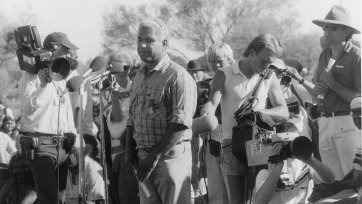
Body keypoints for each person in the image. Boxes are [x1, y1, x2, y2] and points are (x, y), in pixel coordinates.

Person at [201, 34, 289, 204]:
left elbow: (284, 111)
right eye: (264, 61)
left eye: (270, 62)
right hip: (231, 144)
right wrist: (206, 113)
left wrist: (260, 114)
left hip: (260, 143)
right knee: (237, 199)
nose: (267, 66)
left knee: (261, 195)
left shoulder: (269, 76)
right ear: (252, 52)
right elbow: (212, 102)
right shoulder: (224, 74)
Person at [285, 5, 361, 184]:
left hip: (347, 122)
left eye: (333, 28)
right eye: (325, 27)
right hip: (324, 122)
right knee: (332, 181)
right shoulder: (324, 55)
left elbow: (360, 99)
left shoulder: (357, 56)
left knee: (352, 180)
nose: (327, 31)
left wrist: (333, 84)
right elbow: (316, 93)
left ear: (346, 31)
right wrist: (301, 80)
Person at [125, 18, 197, 204]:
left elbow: (180, 124)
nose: (141, 45)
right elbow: (132, 118)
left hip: (169, 160)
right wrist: (129, 152)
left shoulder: (178, 76)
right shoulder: (139, 76)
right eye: (139, 39)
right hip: (142, 161)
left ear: (164, 43)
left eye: (149, 40)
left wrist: (154, 156)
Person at [18, 32, 79, 204]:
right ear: (53, 48)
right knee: (49, 200)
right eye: (66, 50)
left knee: (60, 198)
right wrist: (43, 85)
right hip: (41, 145)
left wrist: (74, 142)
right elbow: (28, 110)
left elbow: (67, 112)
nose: (68, 54)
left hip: (63, 146)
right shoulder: (30, 75)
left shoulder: (61, 75)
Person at [252, 124, 335, 204]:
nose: (290, 148)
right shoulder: (266, 172)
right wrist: (278, 165)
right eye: (284, 144)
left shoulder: (305, 166)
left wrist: (309, 158)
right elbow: (259, 202)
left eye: (293, 143)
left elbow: (330, 179)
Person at [105, 56, 139, 204]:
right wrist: (114, 95)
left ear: (129, 69)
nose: (121, 72)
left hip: (138, 151)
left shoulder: (138, 88)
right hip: (118, 154)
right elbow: (116, 120)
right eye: (116, 69)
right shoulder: (106, 93)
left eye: (124, 68)